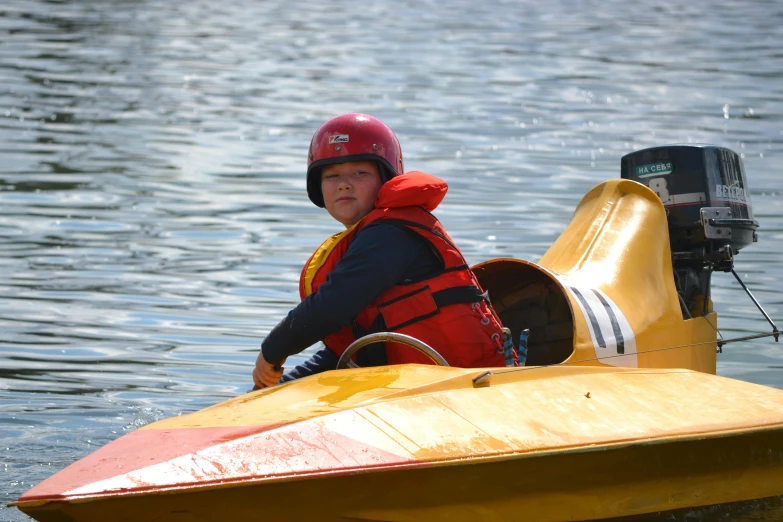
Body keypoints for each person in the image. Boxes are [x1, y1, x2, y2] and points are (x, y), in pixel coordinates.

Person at [252, 113, 506, 389]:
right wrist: (272, 390)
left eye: (359, 172)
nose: (344, 183)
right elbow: (345, 350)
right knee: (258, 396)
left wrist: (271, 352)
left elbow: (332, 306)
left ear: (386, 179)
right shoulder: (369, 236)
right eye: (332, 175)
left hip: (462, 386)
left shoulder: (391, 234)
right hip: (408, 386)